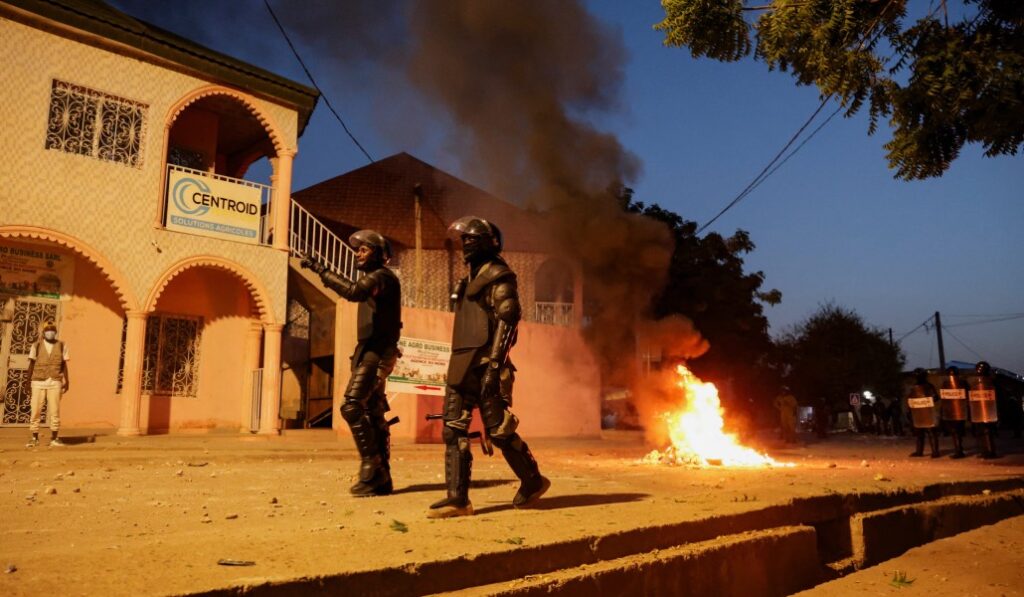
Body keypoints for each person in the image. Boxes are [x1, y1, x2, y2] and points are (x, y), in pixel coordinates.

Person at [428, 216, 549, 518]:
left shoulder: (498, 276)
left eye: (472, 238)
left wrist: (495, 367)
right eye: (463, 239)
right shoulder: (468, 280)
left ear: (489, 243)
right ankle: (458, 499)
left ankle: (533, 480)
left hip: (486, 365)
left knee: (499, 432)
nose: (465, 243)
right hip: (462, 365)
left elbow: (508, 321)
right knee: (453, 430)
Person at [301, 230, 402, 496]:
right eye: (358, 249)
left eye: (364, 249)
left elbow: (353, 291)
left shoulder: (382, 277)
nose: (358, 252)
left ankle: (372, 468)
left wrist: (320, 269)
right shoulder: (377, 280)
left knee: (352, 406)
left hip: (377, 352)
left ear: (379, 255)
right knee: (373, 413)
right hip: (369, 350)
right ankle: (383, 479)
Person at [25, 321, 69, 448]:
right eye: (48, 329)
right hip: (38, 381)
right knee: (35, 410)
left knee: (55, 410)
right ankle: (34, 437)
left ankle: (55, 438)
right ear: (44, 332)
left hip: (55, 381)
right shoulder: (36, 345)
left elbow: (64, 365)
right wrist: (27, 382)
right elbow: (31, 364)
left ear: (55, 332)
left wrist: (67, 381)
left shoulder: (62, 345)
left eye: (52, 329)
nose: (50, 331)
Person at [906, 368, 940, 457]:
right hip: (918, 413)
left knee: (931, 432)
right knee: (919, 433)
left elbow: (936, 397)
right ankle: (919, 451)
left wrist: (928, 399)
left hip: (928, 412)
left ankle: (935, 452)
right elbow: (910, 399)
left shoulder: (929, 386)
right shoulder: (914, 387)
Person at [969, 361, 999, 459]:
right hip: (979, 411)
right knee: (982, 432)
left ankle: (990, 451)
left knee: (987, 431)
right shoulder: (976, 382)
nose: (978, 371)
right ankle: (985, 451)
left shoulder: (990, 381)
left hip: (989, 411)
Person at [939, 366, 969, 458]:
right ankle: (959, 450)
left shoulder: (960, 383)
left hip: (958, 410)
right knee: (955, 431)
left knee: (956, 432)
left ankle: (959, 451)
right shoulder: (947, 384)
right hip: (953, 411)